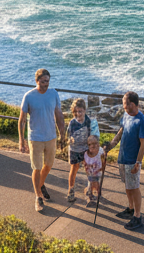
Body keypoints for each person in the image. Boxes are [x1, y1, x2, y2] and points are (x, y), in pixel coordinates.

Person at [18, 68, 66, 211]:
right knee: (37, 168)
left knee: (49, 164)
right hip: (35, 138)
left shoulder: (54, 94)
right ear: (37, 81)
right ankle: (38, 197)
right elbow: (21, 121)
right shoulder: (29, 96)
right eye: (43, 81)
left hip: (51, 136)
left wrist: (62, 134)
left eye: (48, 81)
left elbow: (59, 115)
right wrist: (21, 140)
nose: (46, 84)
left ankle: (40, 184)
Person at [104, 91, 144, 230]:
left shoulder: (141, 121)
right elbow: (121, 132)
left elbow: (143, 144)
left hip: (132, 161)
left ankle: (137, 216)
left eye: (125, 104)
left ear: (133, 104)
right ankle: (130, 208)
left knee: (134, 188)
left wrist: (138, 163)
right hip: (122, 158)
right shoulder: (126, 115)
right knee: (127, 186)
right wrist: (110, 146)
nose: (123, 106)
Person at [65, 98, 100, 202]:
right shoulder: (72, 123)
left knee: (89, 169)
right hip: (74, 149)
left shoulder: (88, 121)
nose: (78, 114)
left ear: (84, 110)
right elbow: (68, 136)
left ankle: (89, 189)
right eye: (75, 112)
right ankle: (71, 190)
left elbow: (92, 134)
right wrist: (70, 140)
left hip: (85, 149)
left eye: (80, 111)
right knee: (74, 169)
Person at [83, 133, 107, 207]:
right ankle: (89, 199)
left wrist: (102, 168)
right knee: (91, 184)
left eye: (95, 143)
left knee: (97, 184)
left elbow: (104, 161)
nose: (93, 146)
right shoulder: (86, 153)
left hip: (98, 171)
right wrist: (87, 170)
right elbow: (84, 163)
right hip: (90, 173)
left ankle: (98, 193)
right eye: (91, 144)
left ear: (99, 144)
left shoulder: (101, 151)